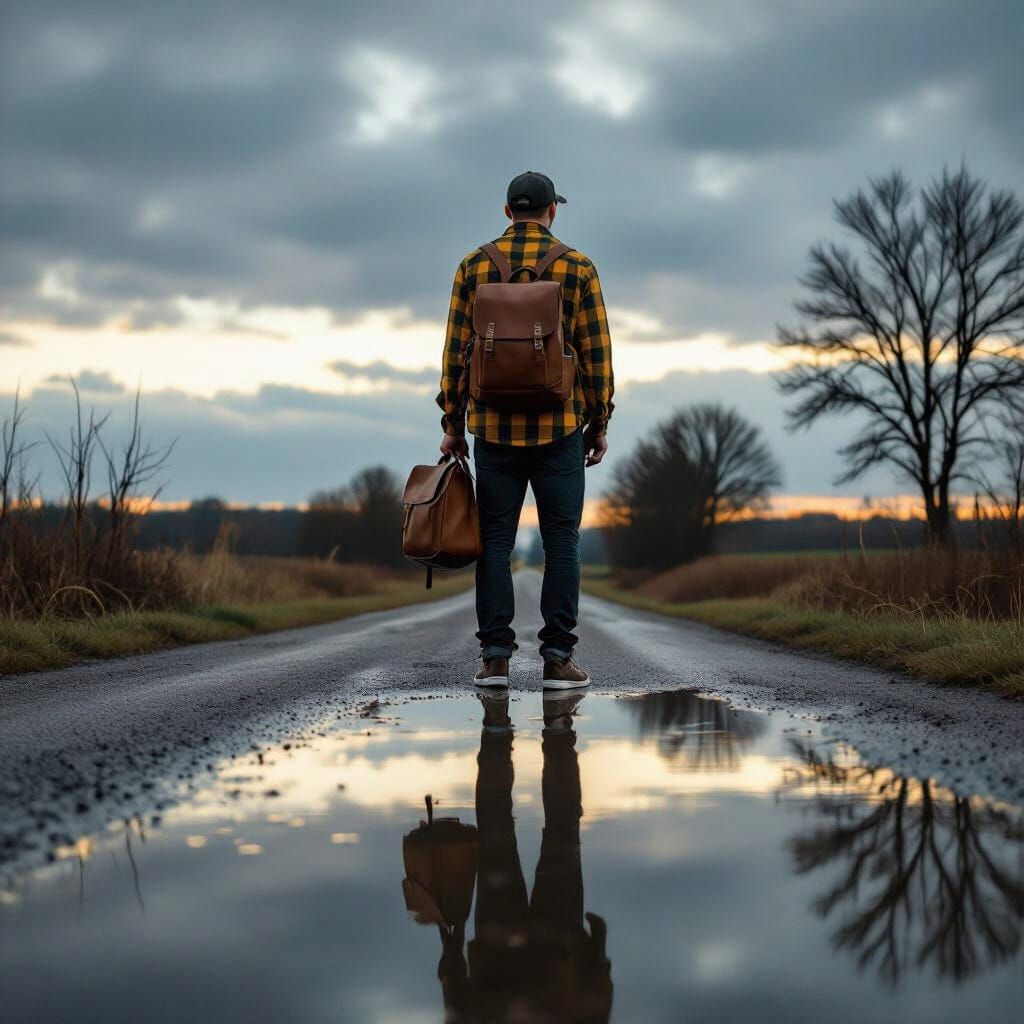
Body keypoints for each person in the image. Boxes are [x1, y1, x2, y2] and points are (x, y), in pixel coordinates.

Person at [437, 171, 615, 690]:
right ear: (552, 210)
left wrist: (452, 422)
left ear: (507, 210)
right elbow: (596, 352)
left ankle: (495, 659)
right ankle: (558, 660)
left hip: (490, 427)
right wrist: (598, 422)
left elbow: (453, 354)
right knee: (562, 541)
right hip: (559, 428)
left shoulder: (473, 266)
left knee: (494, 541)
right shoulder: (577, 266)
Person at [401, 692, 613, 1022]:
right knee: (496, 828)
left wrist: (598, 955)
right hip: (499, 958)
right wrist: (452, 950)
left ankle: (555, 724)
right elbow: (457, 1006)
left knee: (562, 832)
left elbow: (593, 1010)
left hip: (558, 954)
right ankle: (496, 725)